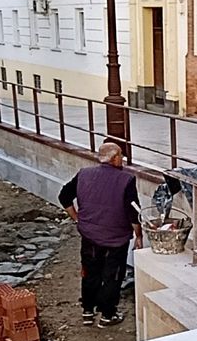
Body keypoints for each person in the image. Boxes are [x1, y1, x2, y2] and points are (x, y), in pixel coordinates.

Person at [59, 140, 143, 327]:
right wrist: (139, 235)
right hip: (116, 238)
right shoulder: (126, 180)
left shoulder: (84, 174)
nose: (123, 158)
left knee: (90, 271)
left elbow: (64, 196)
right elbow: (133, 212)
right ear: (114, 158)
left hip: (89, 235)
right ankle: (107, 314)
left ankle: (88, 311)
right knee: (113, 275)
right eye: (121, 155)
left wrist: (77, 218)